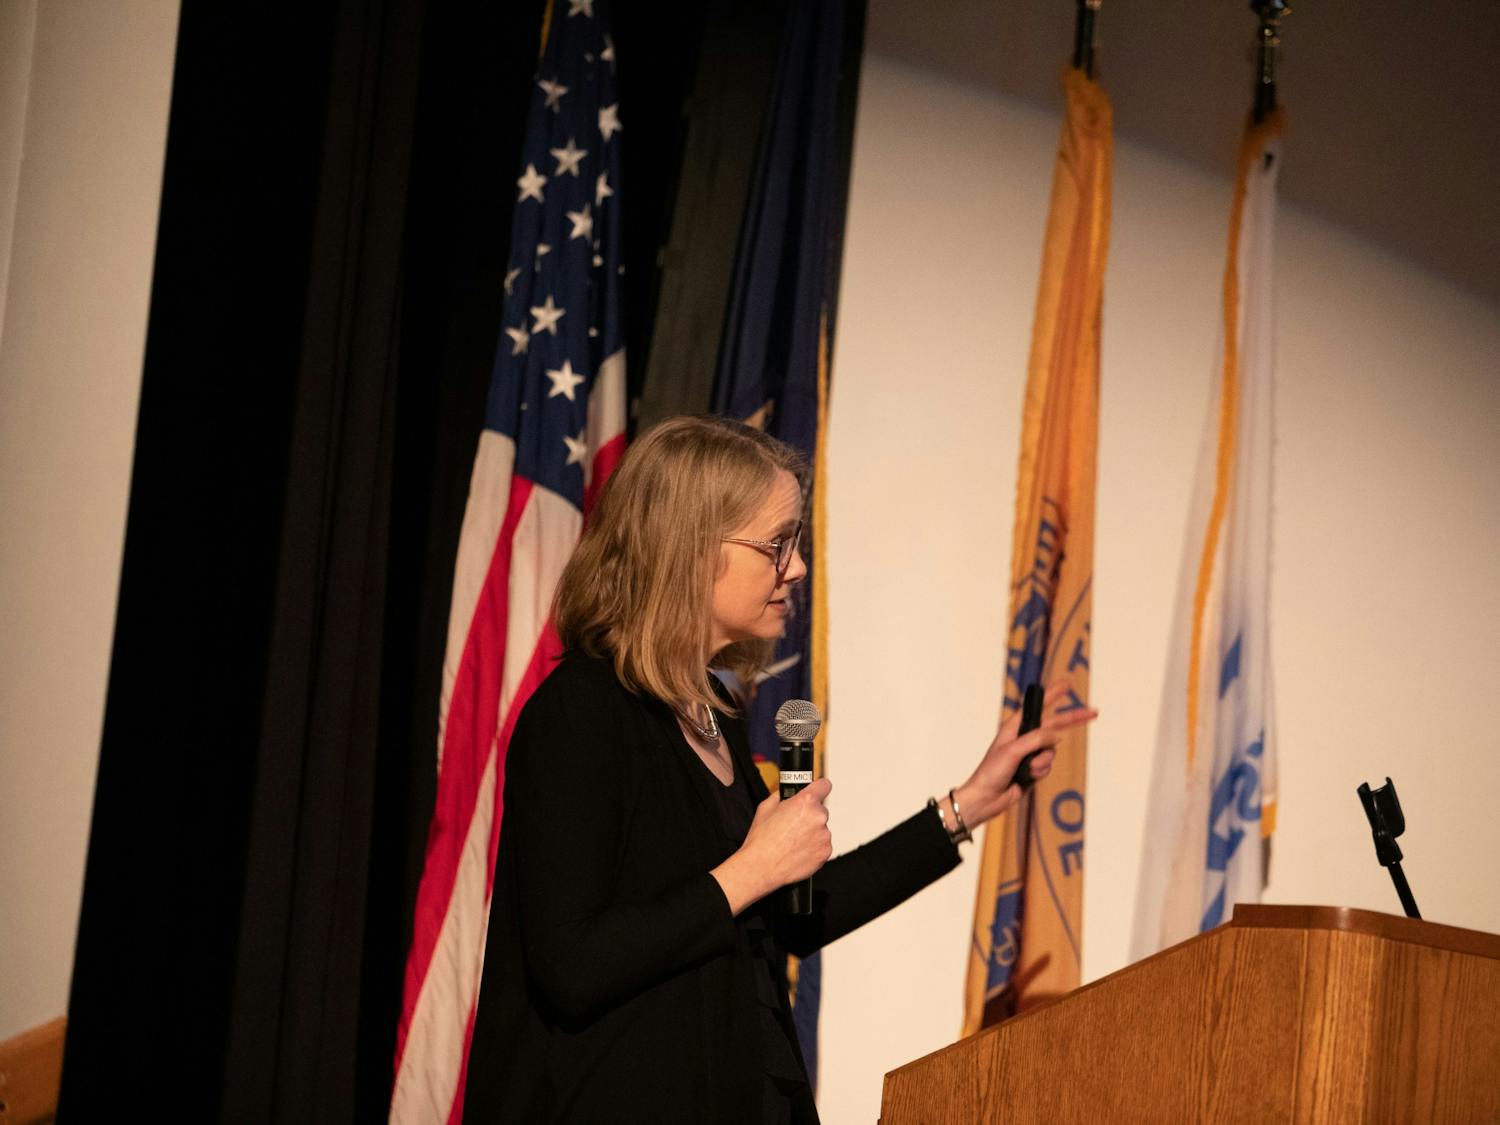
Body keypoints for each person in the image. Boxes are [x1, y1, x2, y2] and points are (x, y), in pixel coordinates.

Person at [462, 415, 1096, 1124]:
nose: (795, 567)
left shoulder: (716, 715)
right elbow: (573, 965)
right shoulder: (581, 712)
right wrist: (748, 871)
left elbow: (788, 918)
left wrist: (966, 805)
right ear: (692, 549)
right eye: (776, 544)